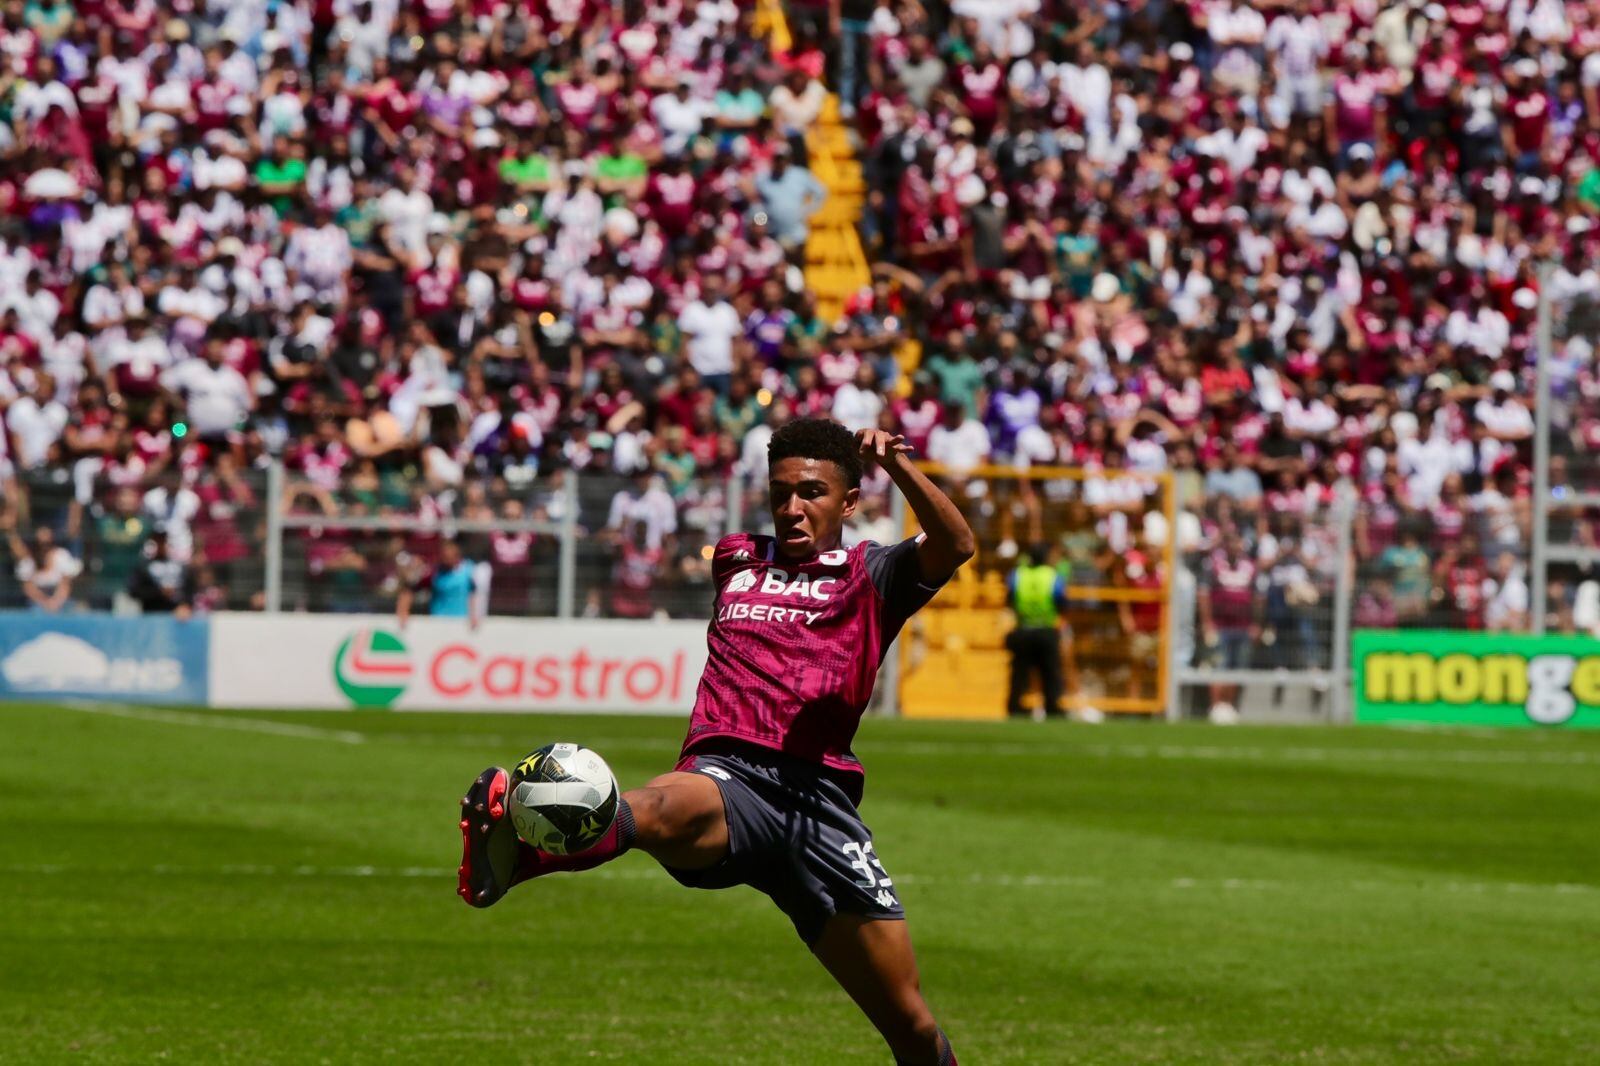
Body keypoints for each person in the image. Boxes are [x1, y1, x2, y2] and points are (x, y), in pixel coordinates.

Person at [456, 419, 974, 1065]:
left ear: (848, 501)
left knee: (913, 1027)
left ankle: (524, 853)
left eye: (811, 492)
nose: (791, 507)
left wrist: (899, 468)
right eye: (780, 492)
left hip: (820, 807)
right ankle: (521, 858)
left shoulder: (875, 572)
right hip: (728, 768)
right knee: (657, 807)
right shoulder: (738, 557)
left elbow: (955, 542)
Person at [1005, 543, 1068, 719]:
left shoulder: (1017, 574)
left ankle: (1014, 707)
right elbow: (1061, 600)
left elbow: (1009, 597)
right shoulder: (1052, 575)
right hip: (1046, 630)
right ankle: (1053, 707)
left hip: (1023, 629)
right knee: (1050, 672)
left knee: (1019, 673)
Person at [396, 538, 485, 628]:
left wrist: (474, 614)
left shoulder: (469, 570)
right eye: (444, 557)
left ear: (457, 555)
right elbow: (409, 590)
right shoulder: (434, 573)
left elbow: (473, 594)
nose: (446, 560)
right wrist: (403, 611)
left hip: (462, 622)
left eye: (449, 556)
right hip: (439, 622)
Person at [126, 527, 195, 618]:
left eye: (163, 541)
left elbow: (190, 591)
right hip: (152, 616)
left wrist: (185, 605)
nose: (161, 545)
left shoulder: (180, 567)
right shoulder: (143, 567)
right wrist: (159, 592)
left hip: (177, 617)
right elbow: (133, 591)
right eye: (157, 541)